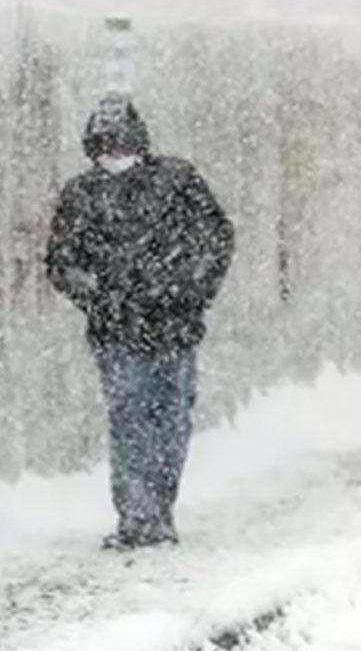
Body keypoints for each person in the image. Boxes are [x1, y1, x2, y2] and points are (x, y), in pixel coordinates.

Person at [46, 93, 235, 550]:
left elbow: (217, 238)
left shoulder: (177, 179)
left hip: (175, 326)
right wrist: (102, 298)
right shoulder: (81, 194)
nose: (113, 154)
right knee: (130, 420)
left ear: (139, 142)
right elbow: (61, 262)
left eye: (121, 143)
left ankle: (158, 512)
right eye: (104, 145)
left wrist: (188, 288)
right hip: (117, 332)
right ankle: (136, 518)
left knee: (170, 422)